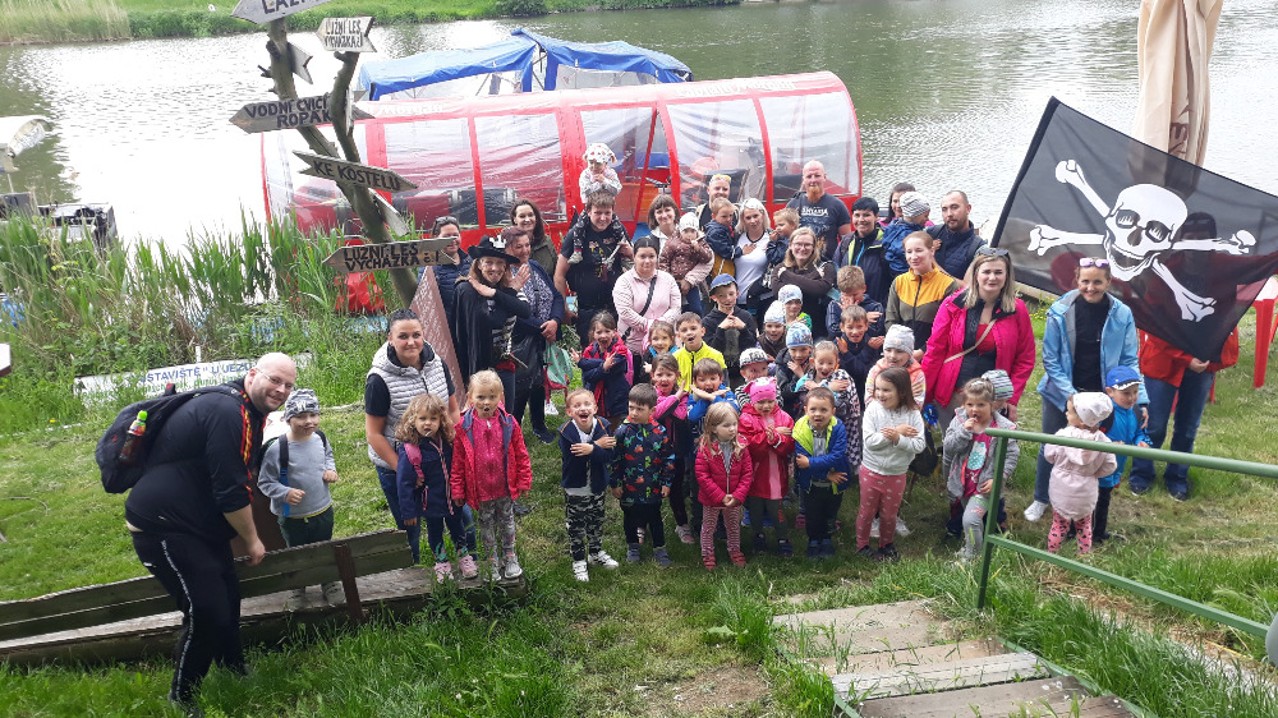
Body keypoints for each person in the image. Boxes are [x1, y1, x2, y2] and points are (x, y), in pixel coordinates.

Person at [126, 352, 295, 709]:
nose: (281, 390)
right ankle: (182, 695)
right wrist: (252, 540)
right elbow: (231, 492)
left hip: (198, 523)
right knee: (206, 610)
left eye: (288, 385)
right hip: (163, 527)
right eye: (275, 380)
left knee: (228, 598)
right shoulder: (228, 413)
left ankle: (233, 667)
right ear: (253, 374)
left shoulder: (243, 408)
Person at [1026, 257, 1144, 521]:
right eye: (1085, 281)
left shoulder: (1122, 313)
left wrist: (1141, 399)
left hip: (1101, 396)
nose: (1091, 288)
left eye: (1097, 282)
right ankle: (1041, 498)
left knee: (1094, 448)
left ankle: (1085, 502)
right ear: (1077, 280)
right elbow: (1051, 359)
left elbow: (1129, 358)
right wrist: (1072, 396)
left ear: (1108, 282)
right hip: (1062, 392)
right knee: (1052, 444)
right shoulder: (1060, 310)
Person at [365, 309, 463, 562]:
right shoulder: (378, 379)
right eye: (403, 336)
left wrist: (457, 448)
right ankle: (413, 570)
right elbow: (373, 434)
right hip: (398, 465)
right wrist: (404, 470)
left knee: (458, 514)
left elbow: (453, 409)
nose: (411, 342)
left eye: (416, 335)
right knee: (410, 526)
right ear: (390, 338)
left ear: (423, 335)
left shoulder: (437, 364)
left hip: (439, 460)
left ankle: (466, 558)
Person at [921, 247, 1036, 429]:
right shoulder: (953, 305)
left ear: (1007, 275)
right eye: (987, 272)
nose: (992, 277)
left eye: (998, 272)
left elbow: (1025, 358)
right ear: (976, 274)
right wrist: (925, 396)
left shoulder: (1017, 309)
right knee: (953, 442)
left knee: (986, 445)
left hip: (993, 399)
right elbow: (935, 351)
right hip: (953, 393)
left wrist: (1011, 399)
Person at [1128, 331, 1237, 502]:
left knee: (1188, 427)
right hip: (1162, 359)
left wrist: (1213, 352)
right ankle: (1142, 473)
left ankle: (1177, 476)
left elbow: (1225, 322)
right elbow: (1156, 324)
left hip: (1202, 362)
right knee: (1154, 424)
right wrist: (1185, 358)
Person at [257, 389, 340, 609]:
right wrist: (284, 493)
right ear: (288, 419)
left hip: (322, 510)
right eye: (301, 416)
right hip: (291, 516)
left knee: (324, 547)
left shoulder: (320, 438)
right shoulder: (278, 449)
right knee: (294, 552)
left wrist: (330, 470)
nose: (309, 421)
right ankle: (297, 586)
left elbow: (328, 457)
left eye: (313, 415)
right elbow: (264, 482)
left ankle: (328, 582)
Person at [449, 370, 533, 581]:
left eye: (492, 397)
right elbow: (457, 462)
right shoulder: (463, 428)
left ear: (500, 397)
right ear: (470, 397)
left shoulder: (509, 423)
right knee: (486, 525)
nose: (486, 402)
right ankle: (492, 560)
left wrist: (524, 480)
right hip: (481, 490)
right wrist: (457, 490)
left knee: (507, 522)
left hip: (505, 487)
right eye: (481, 397)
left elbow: (521, 453)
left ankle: (510, 556)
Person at [394, 394, 479, 584]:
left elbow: (460, 466)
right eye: (422, 418)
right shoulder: (411, 450)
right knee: (435, 531)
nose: (428, 423)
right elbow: (404, 483)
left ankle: (464, 557)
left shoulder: (449, 441)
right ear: (413, 420)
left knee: (458, 527)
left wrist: (464, 491)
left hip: (453, 498)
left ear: (441, 420)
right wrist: (408, 512)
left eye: (433, 418)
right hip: (430, 502)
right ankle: (441, 562)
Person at [451, 231, 532, 410]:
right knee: (482, 417)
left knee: (506, 416)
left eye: (500, 263)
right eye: (489, 262)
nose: (495, 268)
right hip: (479, 368)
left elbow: (525, 310)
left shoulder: (509, 287)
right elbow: (493, 321)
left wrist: (496, 293)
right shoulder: (468, 291)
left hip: (504, 364)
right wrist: (509, 294)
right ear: (479, 264)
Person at [943, 377, 1019, 562]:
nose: (974, 410)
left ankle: (973, 558)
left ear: (992, 405)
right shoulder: (959, 421)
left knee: (971, 520)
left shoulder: (1003, 428)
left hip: (985, 485)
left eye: (981, 405)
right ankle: (973, 546)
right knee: (969, 519)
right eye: (970, 404)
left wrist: (998, 478)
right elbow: (949, 448)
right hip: (964, 482)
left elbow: (1011, 456)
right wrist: (964, 432)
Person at [506, 226, 565, 445]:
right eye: (518, 246)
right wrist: (544, 327)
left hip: (543, 336)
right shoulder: (503, 273)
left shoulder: (535, 266)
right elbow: (514, 312)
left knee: (539, 382)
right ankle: (513, 431)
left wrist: (555, 321)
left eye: (527, 245)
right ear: (506, 249)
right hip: (520, 339)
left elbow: (556, 296)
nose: (524, 250)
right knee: (521, 385)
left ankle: (539, 425)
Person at [610, 383, 676, 567]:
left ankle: (660, 548)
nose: (634, 413)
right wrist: (615, 483)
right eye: (631, 407)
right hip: (629, 486)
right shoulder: (622, 431)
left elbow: (668, 459)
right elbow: (615, 459)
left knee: (654, 518)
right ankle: (633, 547)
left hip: (653, 486)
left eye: (640, 409)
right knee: (630, 517)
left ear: (652, 410)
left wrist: (667, 482)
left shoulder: (660, 432)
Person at [557, 388, 620, 582]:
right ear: (569, 412)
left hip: (597, 486)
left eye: (587, 404)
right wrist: (597, 446)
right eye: (577, 406)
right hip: (576, 488)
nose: (582, 408)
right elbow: (574, 457)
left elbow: (609, 456)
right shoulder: (566, 432)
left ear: (594, 408)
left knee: (596, 521)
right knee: (576, 526)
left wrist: (591, 448)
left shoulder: (603, 426)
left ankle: (595, 552)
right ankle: (578, 560)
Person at [1044, 393, 1117, 555]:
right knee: (1084, 526)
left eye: (1070, 411)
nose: (1066, 413)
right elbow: (1110, 465)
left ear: (1083, 419)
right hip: (1086, 489)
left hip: (1061, 488)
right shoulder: (1104, 441)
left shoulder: (1063, 435)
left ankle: (1052, 553)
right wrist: (1094, 473)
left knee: (1059, 524)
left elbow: (1049, 454)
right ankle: (1083, 555)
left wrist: (1059, 464)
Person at [555, 191, 633, 342]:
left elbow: (637, 261)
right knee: (591, 352)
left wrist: (631, 253)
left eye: (607, 213)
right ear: (588, 211)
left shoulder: (617, 230)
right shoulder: (576, 234)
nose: (603, 218)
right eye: (598, 213)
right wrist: (564, 309)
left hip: (616, 304)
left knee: (618, 350)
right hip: (588, 308)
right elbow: (559, 274)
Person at [792, 387, 851, 559]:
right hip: (811, 483)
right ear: (806, 410)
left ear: (833, 411)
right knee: (812, 514)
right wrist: (825, 474)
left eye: (824, 410)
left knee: (830, 512)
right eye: (813, 409)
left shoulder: (838, 428)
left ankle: (826, 539)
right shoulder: (800, 429)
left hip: (835, 481)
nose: (818, 414)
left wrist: (812, 463)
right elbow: (801, 462)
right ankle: (813, 540)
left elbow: (837, 456)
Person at [739, 379, 795, 556]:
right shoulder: (745, 419)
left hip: (776, 475)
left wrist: (776, 440)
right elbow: (748, 446)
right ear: (752, 401)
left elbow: (790, 445)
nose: (766, 406)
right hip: (755, 476)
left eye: (770, 401)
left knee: (776, 510)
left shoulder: (784, 417)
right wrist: (768, 436)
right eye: (760, 402)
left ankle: (783, 538)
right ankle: (758, 536)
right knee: (755, 511)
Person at [695, 402, 753, 570]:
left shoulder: (741, 446)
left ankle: (734, 549)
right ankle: (707, 552)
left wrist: (738, 495)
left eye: (734, 424)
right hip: (712, 499)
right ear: (713, 428)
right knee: (708, 527)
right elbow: (702, 476)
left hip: (734, 497)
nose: (732, 429)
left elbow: (747, 473)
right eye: (726, 425)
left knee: (734, 526)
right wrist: (720, 496)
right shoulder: (705, 448)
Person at [1098, 366, 1151, 544]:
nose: (1131, 397)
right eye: (1126, 393)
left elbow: (1139, 433)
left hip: (1115, 468)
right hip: (1097, 468)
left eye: (1135, 392)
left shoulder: (1136, 412)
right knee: (1092, 501)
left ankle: (1098, 532)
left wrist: (1141, 441)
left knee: (1104, 500)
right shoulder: (1104, 413)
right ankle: (1080, 531)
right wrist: (1109, 445)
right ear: (1110, 392)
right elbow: (1090, 435)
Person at [616, 235, 682, 376]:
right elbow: (625, 312)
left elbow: (676, 308)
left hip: (666, 347)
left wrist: (660, 326)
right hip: (634, 346)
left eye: (651, 256)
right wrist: (650, 326)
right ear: (634, 257)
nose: (647, 261)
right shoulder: (624, 282)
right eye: (642, 256)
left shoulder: (668, 279)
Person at [885, 231, 961, 352]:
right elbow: (891, 320)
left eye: (919, 250)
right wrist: (898, 349)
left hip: (933, 353)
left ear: (932, 251)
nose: (914, 256)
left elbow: (949, 327)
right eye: (909, 252)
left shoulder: (948, 285)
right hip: (901, 353)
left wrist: (923, 351)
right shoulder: (899, 282)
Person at [650, 353, 694, 544]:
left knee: (676, 489)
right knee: (649, 488)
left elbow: (681, 414)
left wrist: (673, 400)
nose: (664, 379)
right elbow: (656, 413)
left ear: (677, 375)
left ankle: (682, 524)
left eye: (669, 374)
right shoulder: (650, 395)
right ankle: (642, 524)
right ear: (652, 375)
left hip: (676, 453)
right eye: (659, 374)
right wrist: (676, 397)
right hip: (652, 453)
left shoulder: (685, 397)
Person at [766, 227, 836, 336]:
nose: (802, 248)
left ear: (814, 247)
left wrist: (786, 275)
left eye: (807, 245)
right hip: (786, 332)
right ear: (790, 245)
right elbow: (778, 292)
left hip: (818, 330)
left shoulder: (826, 267)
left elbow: (819, 290)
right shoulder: (780, 267)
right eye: (798, 244)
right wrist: (814, 277)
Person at [785, 160, 851, 263]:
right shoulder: (793, 204)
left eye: (817, 176)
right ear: (803, 180)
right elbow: (786, 237)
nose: (813, 180)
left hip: (827, 264)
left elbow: (847, 242)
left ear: (824, 177)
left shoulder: (838, 205)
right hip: (798, 263)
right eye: (809, 176)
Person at [579, 311, 633, 428]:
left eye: (607, 331)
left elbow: (613, 369)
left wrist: (584, 363)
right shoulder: (589, 351)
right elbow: (588, 376)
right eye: (599, 332)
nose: (603, 335)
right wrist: (603, 367)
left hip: (616, 401)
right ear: (593, 334)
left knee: (613, 430)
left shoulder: (620, 350)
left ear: (614, 332)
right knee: (597, 429)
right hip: (595, 399)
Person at [702, 274, 759, 385]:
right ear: (714, 297)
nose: (728, 299)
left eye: (731, 294)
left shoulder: (746, 316)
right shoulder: (708, 321)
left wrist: (743, 329)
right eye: (722, 296)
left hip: (743, 372)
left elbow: (752, 346)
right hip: (718, 374)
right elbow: (710, 351)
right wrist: (720, 330)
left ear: (737, 294)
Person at [835, 196, 891, 307]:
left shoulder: (886, 243)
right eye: (857, 215)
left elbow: (892, 282)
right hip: (848, 308)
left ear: (876, 217)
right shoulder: (846, 241)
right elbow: (836, 269)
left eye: (866, 215)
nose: (861, 220)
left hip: (875, 308)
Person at [734, 198, 784, 313]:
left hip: (763, 300)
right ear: (743, 219)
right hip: (737, 301)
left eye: (755, 216)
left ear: (763, 215)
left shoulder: (773, 238)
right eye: (748, 218)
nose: (753, 221)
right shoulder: (737, 237)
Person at [658, 212, 714, 314]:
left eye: (692, 231)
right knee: (674, 309)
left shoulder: (701, 243)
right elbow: (664, 260)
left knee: (696, 309)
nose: (689, 234)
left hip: (691, 283)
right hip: (674, 282)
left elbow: (707, 258)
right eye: (686, 231)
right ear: (680, 231)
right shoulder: (672, 243)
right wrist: (667, 278)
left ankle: (698, 320)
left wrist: (698, 249)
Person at [927, 190, 987, 280]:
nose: (949, 214)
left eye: (954, 207)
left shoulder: (978, 248)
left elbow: (967, 286)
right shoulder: (931, 233)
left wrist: (932, 261)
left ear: (968, 209)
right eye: (944, 209)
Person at [865, 325, 926, 410]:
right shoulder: (875, 371)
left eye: (899, 351)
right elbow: (869, 403)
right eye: (888, 350)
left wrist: (883, 399)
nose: (892, 356)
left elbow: (916, 407)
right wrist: (906, 396)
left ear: (909, 354)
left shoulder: (917, 375)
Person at [427, 216, 470, 330]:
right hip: (447, 330)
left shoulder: (471, 261)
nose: (452, 240)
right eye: (446, 236)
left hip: (472, 327)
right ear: (436, 238)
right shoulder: (430, 268)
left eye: (455, 235)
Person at [825, 265, 885, 344]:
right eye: (846, 295)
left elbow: (876, 331)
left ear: (864, 288)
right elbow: (833, 331)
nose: (851, 299)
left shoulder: (875, 307)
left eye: (855, 294)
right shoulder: (834, 305)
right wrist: (858, 316)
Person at [835, 304, 880, 405]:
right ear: (842, 327)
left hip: (865, 396)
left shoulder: (872, 345)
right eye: (850, 327)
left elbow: (867, 373)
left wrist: (846, 354)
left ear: (866, 326)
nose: (855, 332)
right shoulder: (837, 345)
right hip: (843, 397)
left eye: (859, 327)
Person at [672, 311, 725, 391]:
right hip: (683, 398)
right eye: (684, 330)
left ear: (702, 331)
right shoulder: (675, 357)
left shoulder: (716, 355)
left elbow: (723, 383)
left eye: (693, 328)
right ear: (679, 336)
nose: (689, 333)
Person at [882, 191, 931, 277]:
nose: (928, 219)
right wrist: (930, 246)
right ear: (915, 215)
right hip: (905, 274)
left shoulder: (894, 225)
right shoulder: (908, 235)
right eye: (925, 216)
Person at [510, 199, 557, 279]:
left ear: (536, 217)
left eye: (530, 215)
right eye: (522, 216)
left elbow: (556, 271)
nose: (527, 219)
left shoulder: (546, 241)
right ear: (515, 219)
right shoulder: (509, 245)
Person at [776, 323, 814, 418]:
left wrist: (802, 376)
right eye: (793, 350)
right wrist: (796, 377)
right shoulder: (782, 362)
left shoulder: (816, 361)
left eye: (803, 349)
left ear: (810, 348)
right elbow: (782, 393)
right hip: (790, 412)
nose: (798, 355)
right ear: (788, 349)